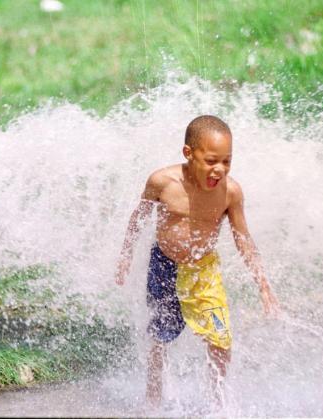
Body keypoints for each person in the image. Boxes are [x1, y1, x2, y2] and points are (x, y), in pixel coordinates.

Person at [115, 115, 278, 408]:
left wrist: (263, 283)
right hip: (164, 265)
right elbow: (138, 217)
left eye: (227, 161)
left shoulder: (230, 192)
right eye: (212, 160)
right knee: (162, 333)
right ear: (188, 153)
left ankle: (218, 404)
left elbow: (243, 239)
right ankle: (153, 396)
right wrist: (126, 254)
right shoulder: (162, 182)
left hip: (204, 272)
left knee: (220, 338)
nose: (220, 169)